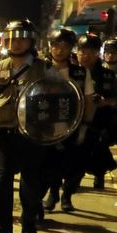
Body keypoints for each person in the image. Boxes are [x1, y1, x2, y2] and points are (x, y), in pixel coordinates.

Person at [0, 20, 58, 233]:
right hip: (3, 133)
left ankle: (29, 222)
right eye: (11, 39)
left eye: (21, 39)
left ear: (31, 41)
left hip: (33, 134)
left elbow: (62, 98)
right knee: (1, 182)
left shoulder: (44, 68)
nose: (15, 44)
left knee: (30, 183)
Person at [40, 28, 93, 213]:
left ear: (71, 48)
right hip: (46, 124)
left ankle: (67, 195)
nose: (59, 50)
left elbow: (88, 99)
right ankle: (53, 193)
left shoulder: (80, 72)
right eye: (55, 45)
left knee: (74, 165)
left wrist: (85, 126)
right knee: (50, 164)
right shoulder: (41, 69)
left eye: (64, 46)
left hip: (73, 124)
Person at [72, 33, 117, 191]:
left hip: (99, 121)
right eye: (83, 52)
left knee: (97, 150)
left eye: (92, 52)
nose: (86, 56)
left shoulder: (108, 75)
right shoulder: (70, 71)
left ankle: (98, 175)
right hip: (73, 120)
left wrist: (105, 102)